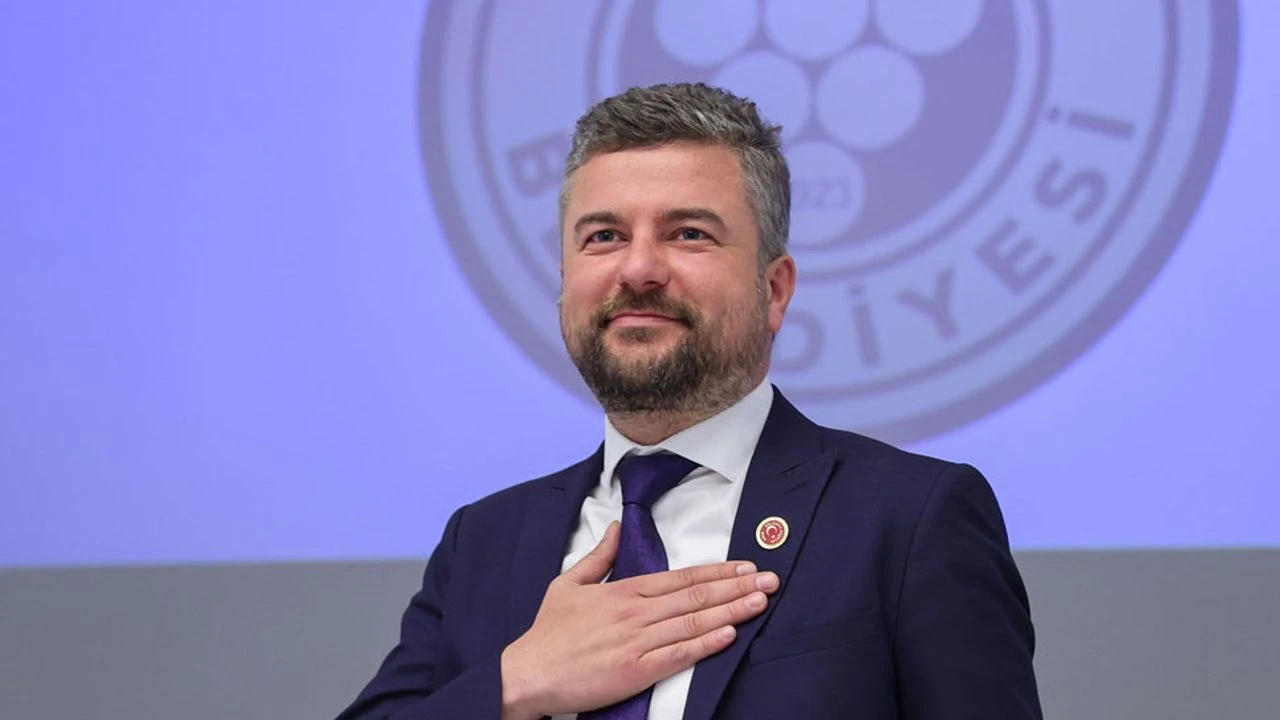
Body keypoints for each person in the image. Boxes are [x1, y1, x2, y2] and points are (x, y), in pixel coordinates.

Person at [337, 82, 1042, 720]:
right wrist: (518, 683)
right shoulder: (484, 541)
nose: (639, 268)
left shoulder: (909, 519)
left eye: (689, 234)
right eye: (604, 236)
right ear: (565, 279)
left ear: (774, 289)